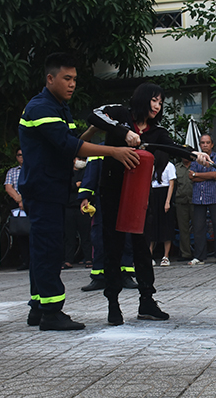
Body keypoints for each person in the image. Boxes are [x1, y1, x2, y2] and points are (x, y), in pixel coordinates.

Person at [19, 52, 140, 331]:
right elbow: (68, 147)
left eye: (75, 79)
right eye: (66, 78)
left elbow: (72, 141)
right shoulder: (41, 108)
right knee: (49, 249)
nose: (72, 84)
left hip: (49, 188)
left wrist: (94, 129)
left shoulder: (58, 107)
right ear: (50, 79)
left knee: (42, 248)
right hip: (43, 188)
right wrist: (115, 150)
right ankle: (51, 312)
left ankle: (38, 307)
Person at [85, 83, 211, 325]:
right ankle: (113, 303)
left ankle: (147, 301)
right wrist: (123, 133)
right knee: (113, 246)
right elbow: (95, 114)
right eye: (154, 100)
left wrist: (195, 154)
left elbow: (174, 147)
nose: (157, 106)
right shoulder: (121, 115)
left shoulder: (156, 131)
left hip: (138, 195)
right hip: (112, 191)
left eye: (161, 102)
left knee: (142, 245)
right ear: (143, 99)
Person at [77, 155, 138, 292]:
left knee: (126, 237)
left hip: (125, 197)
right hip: (102, 198)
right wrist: (85, 197)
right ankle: (99, 276)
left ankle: (125, 274)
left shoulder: (129, 150)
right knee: (99, 238)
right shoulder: (98, 151)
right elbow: (91, 173)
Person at [189, 134, 216, 265]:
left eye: (207, 142)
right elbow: (190, 176)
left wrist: (197, 175)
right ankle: (199, 256)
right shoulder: (194, 158)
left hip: (214, 196)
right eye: (202, 143)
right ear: (199, 145)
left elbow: (215, 173)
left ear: (212, 144)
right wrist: (208, 176)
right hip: (198, 196)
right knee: (198, 227)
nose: (205, 145)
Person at [145, 152, 177, 266]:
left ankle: (166, 256)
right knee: (152, 227)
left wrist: (167, 201)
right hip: (154, 194)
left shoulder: (169, 166)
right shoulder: (152, 167)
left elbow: (171, 184)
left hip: (164, 194)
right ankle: (149, 255)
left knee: (166, 227)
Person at [4, 148, 30, 270]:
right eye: (19, 155)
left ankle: (36, 261)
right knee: (21, 234)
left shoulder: (34, 169)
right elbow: (9, 187)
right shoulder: (12, 172)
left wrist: (26, 200)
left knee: (35, 234)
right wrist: (20, 200)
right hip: (18, 206)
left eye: (24, 154)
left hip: (32, 204)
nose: (22, 157)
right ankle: (25, 261)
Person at [63, 157, 91, 269]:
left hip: (83, 207)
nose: (81, 161)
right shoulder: (67, 172)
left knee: (86, 234)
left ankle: (89, 258)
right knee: (69, 235)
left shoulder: (86, 171)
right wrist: (76, 185)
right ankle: (68, 260)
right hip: (69, 206)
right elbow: (65, 186)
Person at [172, 157, 194, 261]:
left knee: (198, 227)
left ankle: (199, 253)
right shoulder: (176, 168)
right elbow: (173, 185)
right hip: (181, 201)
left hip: (195, 200)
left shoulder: (195, 166)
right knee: (183, 228)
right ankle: (186, 253)